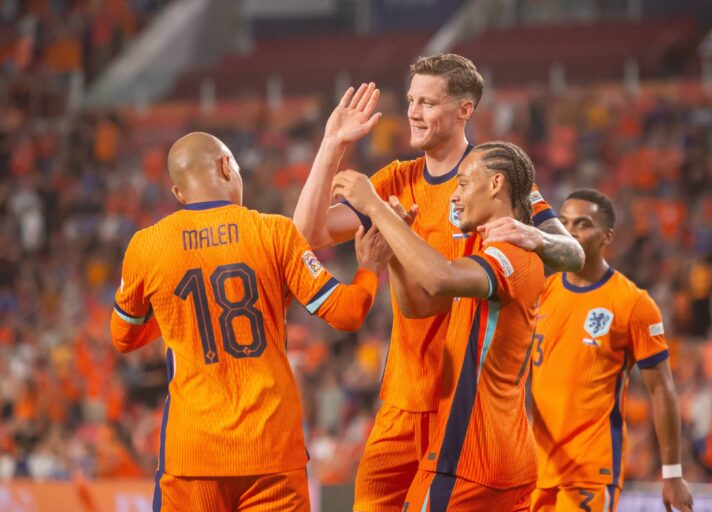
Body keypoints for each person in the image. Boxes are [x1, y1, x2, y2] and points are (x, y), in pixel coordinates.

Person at [293, 53, 584, 511]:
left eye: (427, 103)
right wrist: (332, 144)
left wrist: (531, 233)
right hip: (405, 394)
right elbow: (308, 234)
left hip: (466, 400)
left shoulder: (492, 180)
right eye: (411, 100)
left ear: (463, 110)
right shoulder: (397, 180)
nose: (413, 111)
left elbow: (573, 253)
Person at [109, 132, 389, 512]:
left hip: (193, 454)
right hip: (272, 451)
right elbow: (347, 312)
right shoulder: (273, 232)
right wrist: (369, 268)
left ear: (178, 193)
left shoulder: (146, 246)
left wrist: (177, 311)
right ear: (227, 167)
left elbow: (123, 337)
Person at [332, 141, 544, 510]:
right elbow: (421, 306)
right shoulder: (487, 257)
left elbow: (439, 277)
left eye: (463, 184)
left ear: (495, 185)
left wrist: (375, 208)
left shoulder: (510, 256)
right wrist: (395, 251)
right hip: (500, 455)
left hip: (467, 457)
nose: (456, 196)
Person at [530, 188, 694, 512]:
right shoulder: (541, 291)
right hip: (535, 466)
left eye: (582, 224)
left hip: (590, 469)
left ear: (607, 237)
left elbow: (662, 389)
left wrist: (672, 473)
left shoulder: (632, 304)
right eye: (563, 223)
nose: (570, 232)